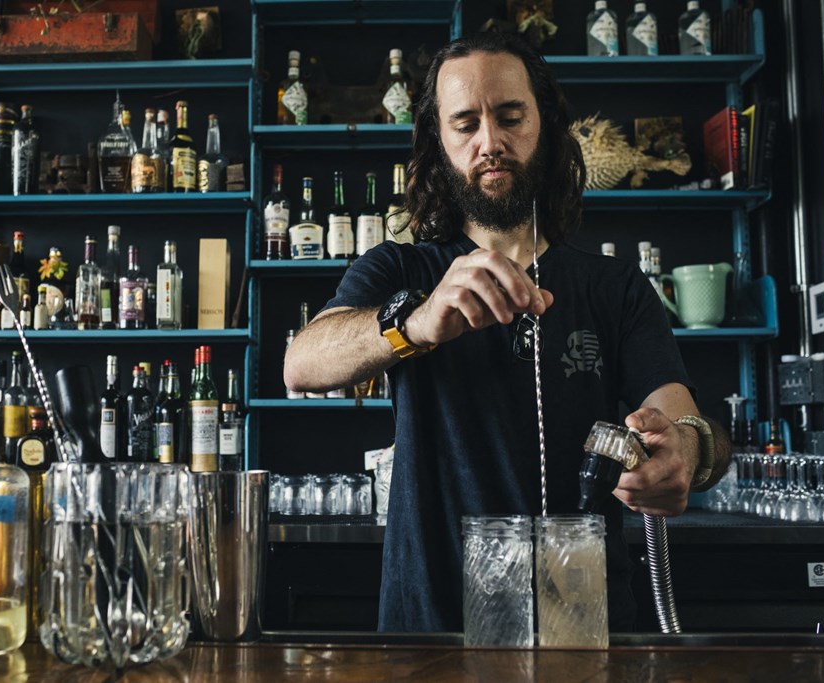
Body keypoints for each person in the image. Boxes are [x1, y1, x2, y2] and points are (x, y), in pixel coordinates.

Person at [283, 31, 731, 633]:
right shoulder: (400, 269)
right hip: (433, 629)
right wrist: (413, 323)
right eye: (464, 124)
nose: (489, 143)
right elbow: (301, 363)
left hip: (584, 623)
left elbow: (682, 420)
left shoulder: (615, 287)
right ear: (439, 141)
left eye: (510, 116)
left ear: (544, 122)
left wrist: (686, 453)